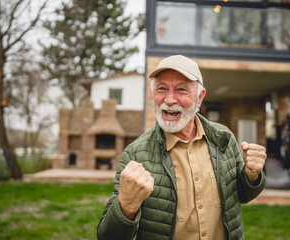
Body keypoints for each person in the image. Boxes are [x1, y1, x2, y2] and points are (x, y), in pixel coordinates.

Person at [97, 55, 267, 240]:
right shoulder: (135, 154)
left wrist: (252, 176)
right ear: (153, 94)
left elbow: (240, 195)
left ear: (199, 98)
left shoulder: (223, 138)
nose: (169, 99)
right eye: (162, 89)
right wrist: (126, 207)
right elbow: (108, 236)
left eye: (181, 90)